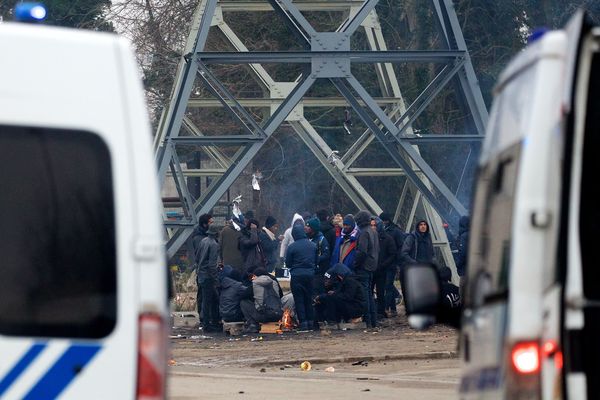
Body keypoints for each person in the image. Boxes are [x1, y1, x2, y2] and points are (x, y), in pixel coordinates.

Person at [285, 224, 317, 331]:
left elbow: (288, 263)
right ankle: (311, 322)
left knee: (299, 300)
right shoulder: (313, 245)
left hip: (297, 276)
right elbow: (316, 261)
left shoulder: (291, 247)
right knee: (309, 299)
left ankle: (303, 323)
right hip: (310, 276)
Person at [353, 210, 379, 329]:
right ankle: (374, 321)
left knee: (365, 295)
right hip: (372, 266)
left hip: (364, 267)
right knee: (370, 294)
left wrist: (355, 264)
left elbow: (362, 252)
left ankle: (368, 321)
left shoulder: (363, 233)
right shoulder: (373, 232)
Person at [240, 268, 283, 333]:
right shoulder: (274, 282)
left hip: (264, 316)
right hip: (278, 315)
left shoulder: (255, 284)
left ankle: (253, 325)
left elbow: (242, 296)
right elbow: (281, 296)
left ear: (256, 275)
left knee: (243, 302)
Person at [195, 224, 221, 332]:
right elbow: (211, 264)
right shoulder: (214, 244)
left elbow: (197, 257)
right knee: (208, 300)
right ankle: (207, 324)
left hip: (201, 274)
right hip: (208, 276)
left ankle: (213, 322)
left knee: (210, 299)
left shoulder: (203, 241)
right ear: (216, 234)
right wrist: (215, 279)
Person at [371, 217, 397, 319]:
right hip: (370, 268)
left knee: (381, 292)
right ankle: (371, 311)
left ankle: (381, 311)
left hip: (382, 270)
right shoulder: (368, 237)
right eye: (371, 225)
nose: (373, 227)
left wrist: (383, 265)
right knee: (369, 291)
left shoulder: (387, 238)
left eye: (375, 225)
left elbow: (392, 253)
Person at [379, 212, 406, 308]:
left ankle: (386, 308)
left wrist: (397, 260)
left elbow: (401, 246)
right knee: (387, 285)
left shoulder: (395, 231)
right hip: (384, 262)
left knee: (388, 285)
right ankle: (393, 308)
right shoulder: (384, 230)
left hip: (391, 262)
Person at [192, 213, 213, 320]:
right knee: (203, 294)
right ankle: (203, 317)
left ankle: (204, 316)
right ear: (205, 224)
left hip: (203, 270)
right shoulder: (200, 238)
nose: (212, 223)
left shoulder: (200, 236)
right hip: (204, 271)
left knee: (203, 294)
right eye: (210, 222)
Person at [305, 217, 330, 296]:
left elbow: (326, 254)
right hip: (308, 272)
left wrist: (316, 259)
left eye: (308, 226)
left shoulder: (322, 240)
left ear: (313, 229)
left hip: (317, 274)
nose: (305, 227)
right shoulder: (307, 238)